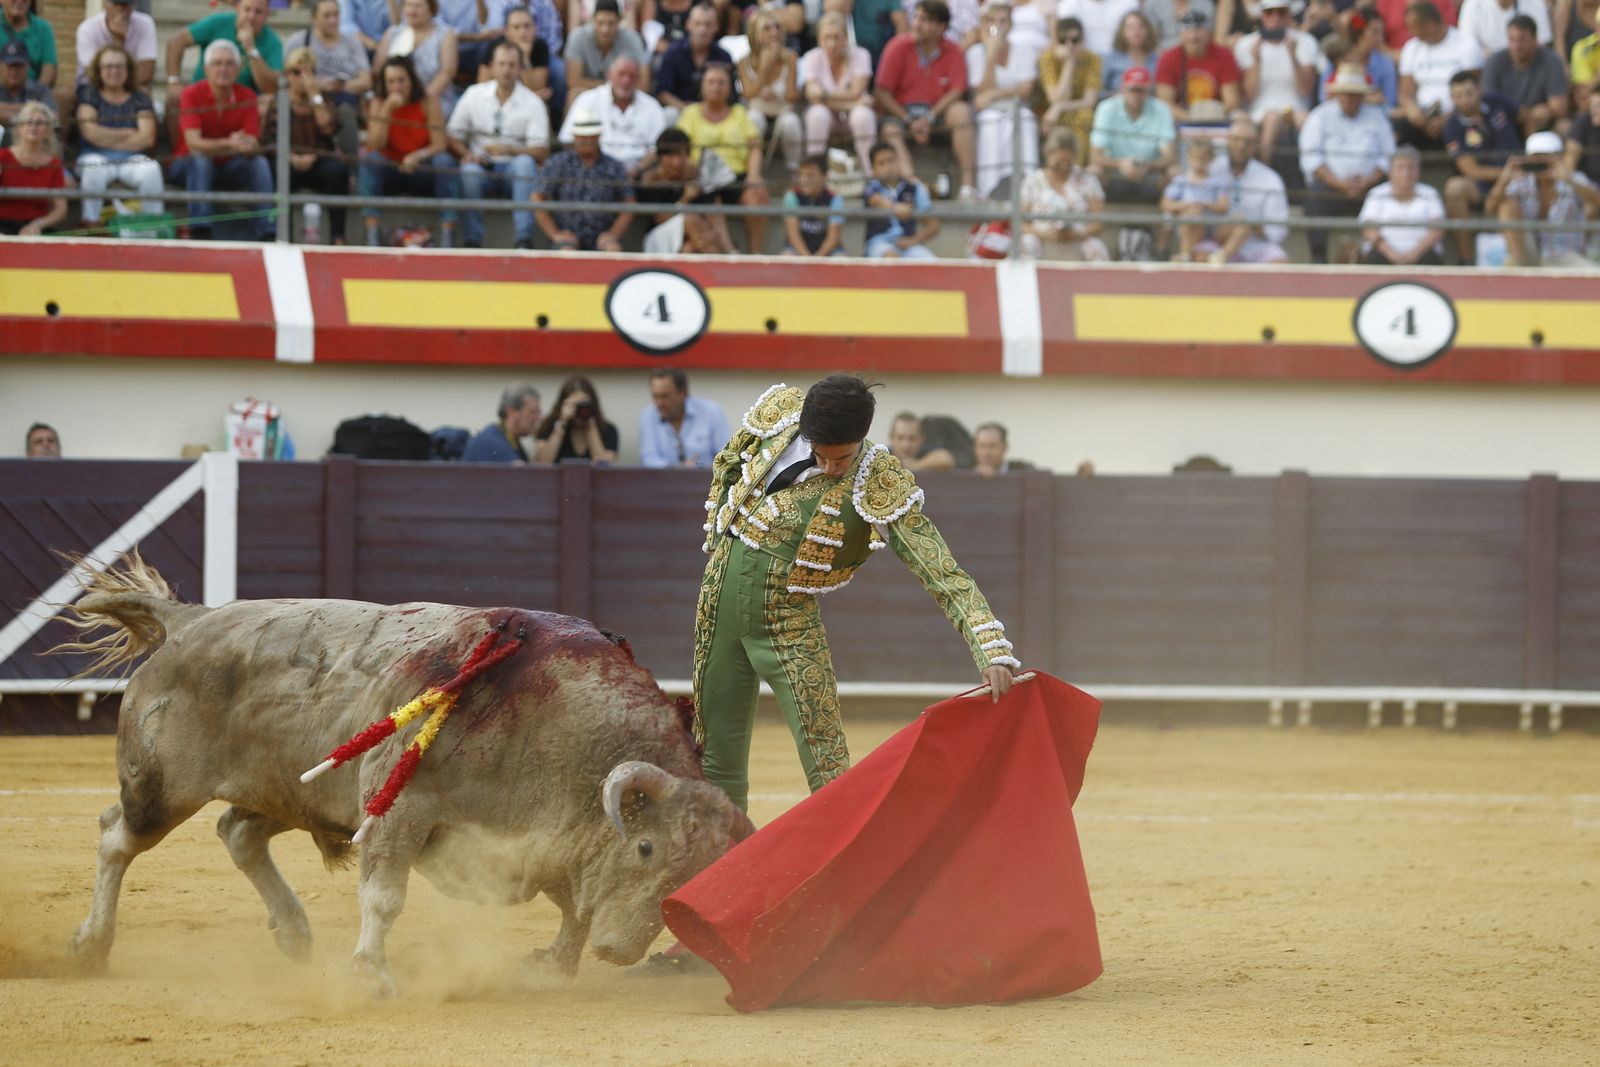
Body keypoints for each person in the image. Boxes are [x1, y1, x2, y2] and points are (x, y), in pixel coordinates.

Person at [693, 374, 1019, 811]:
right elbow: (729, 462)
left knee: (827, 760)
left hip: (785, 619)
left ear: (863, 438)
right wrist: (720, 534)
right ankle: (720, 855)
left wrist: (990, 647)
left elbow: (938, 566)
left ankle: (848, 856)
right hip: (716, 604)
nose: (831, 468)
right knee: (714, 758)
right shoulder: (779, 417)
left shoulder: (877, 477)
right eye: (820, 455)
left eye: (842, 457)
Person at [448, 40, 551, 249]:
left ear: (521, 68)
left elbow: (541, 151)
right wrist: (467, 154)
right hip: (481, 165)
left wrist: (509, 149)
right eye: (501, 64)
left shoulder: (533, 102)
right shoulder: (473, 94)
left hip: (513, 167)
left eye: (512, 65)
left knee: (525, 164)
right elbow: (451, 135)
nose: (506, 70)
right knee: (469, 171)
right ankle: (472, 240)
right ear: (491, 67)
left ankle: (523, 239)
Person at [170, 40, 274, 241]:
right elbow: (193, 143)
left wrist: (247, 145)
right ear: (206, 69)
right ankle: (200, 231)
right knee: (200, 159)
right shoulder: (191, 94)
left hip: (227, 166)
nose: (223, 69)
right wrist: (230, 143)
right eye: (217, 63)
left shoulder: (247, 95)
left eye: (229, 64)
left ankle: (268, 231)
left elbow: (253, 142)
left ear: (238, 70)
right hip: (188, 165)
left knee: (258, 162)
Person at [874, 1, 978, 200]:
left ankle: (968, 186)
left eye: (926, 20)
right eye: (916, 17)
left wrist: (929, 117)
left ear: (942, 27)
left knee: (962, 112)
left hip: (937, 114)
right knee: (890, 130)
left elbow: (957, 91)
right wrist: (908, 120)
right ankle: (913, 185)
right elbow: (881, 93)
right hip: (901, 114)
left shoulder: (954, 50)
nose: (917, 24)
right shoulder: (897, 46)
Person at [1298, 63, 1395, 262]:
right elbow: (1311, 158)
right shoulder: (1320, 116)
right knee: (1313, 199)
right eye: (1346, 94)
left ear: (1362, 96)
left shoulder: (1377, 117)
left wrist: (1369, 180)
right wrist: (1338, 183)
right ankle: (1319, 257)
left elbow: (1388, 155)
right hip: (1330, 186)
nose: (1350, 99)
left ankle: (1384, 255)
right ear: (1337, 94)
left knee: (1388, 197)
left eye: (1354, 94)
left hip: (1370, 186)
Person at [360, 55, 458, 246]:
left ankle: (448, 237)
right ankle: (372, 237)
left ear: (411, 80)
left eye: (401, 80)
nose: (396, 87)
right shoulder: (379, 103)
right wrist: (387, 110)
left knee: (445, 162)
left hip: (421, 168)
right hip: (390, 168)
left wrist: (418, 156)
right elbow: (376, 144)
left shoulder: (428, 100)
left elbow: (439, 144)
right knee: (370, 160)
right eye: (391, 82)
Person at [676, 62, 769, 251]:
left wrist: (754, 175)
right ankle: (729, 251)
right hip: (701, 178)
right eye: (711, 82)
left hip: (736, 176)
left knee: (758, 195)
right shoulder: (690, 113)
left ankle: (755, 254)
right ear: (702, 86)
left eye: (721, 82)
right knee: (711, 192)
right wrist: (689, 172)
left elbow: (755, 146)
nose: (716, 87)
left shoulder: (739, 113)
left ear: (729, 87)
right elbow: (680, 148)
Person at [75, 43, 163, 230]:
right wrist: (127, 134)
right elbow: (89, 133)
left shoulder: (140, 97)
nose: (114, 71)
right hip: (93, 156)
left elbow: (147, 138)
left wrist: (104, 136)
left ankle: (152, 225)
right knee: (94, 167)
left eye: (119, 66)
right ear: (98, 70)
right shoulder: (89, 94)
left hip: (131, 160)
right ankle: (90, 223)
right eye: (108, 66)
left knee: (151, 169)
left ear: (128, 70)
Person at [268, 48, 351, 244]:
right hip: (288, 161)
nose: (303, 78)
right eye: (297, 72)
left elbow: (328, 129)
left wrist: (315, 96)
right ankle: (283, 236)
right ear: (287, 75)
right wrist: (293, 158)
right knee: (274, 170)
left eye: (309, 72)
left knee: (338, 171)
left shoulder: (324, 101)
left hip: (319, 161)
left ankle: (338, 236)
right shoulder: (277, 102)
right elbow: (270, 141)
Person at [1486, 129, 1600, 266]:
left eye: (1547, 156)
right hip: (1527, 256)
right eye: (1537, 157)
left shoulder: (1574, 179)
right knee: (1506, 205)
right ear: (1528, 159)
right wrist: (1504, 179)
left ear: (1559, 157)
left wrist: (1569, 180)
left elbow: (1597, 202)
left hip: (1565, 256)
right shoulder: (1521, 182)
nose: (1541, 161)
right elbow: (1490, 208)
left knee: (1594, 277)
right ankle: (1521, 266)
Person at [1441, 69, 1520, 261]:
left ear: (1479, 90)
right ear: (1452, 98)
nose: (1465, 100)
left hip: (1518, 179)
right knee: (1454, 188)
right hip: (1483, 185)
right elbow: (1470, 170)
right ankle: (1466, 259)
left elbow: (1524, 117)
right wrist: (1508, 173)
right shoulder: (1452, 126)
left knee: (1510, 204)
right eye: (1458, 96)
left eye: (1469, 93)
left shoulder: (1497, 101)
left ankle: (1520, 263)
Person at [533, 109, 635, 249]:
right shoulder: (559, 162)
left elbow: (629, 203)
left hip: (601, 238)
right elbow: (537, 197)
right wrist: (555, 234)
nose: (587, 141)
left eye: (591, 136)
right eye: (583, 137)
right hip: (566, 237)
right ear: (575, 137)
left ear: (598, 137)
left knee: (613, 250)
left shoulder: (614, 166)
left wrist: (613, 235)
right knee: (567, 251)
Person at [966, 1, 1038, 197]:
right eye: (992, 21)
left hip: (1017, 108)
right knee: (991, 122)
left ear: (1011, 24)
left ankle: (1029, 189)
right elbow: (980, 91)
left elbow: (1025, 89)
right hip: (989, 112)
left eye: (1002, 21)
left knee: (1024, 120)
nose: (997, 26)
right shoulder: (976, 53)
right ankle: (989, 190)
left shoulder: (1024, 49)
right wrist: (991, 56)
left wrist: (993, 94)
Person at [1234, 0, 1319, 164]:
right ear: (1261, 15)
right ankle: (1264, 168)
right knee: (1272, 118)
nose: (1275, 17)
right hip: (1259, 111)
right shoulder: (1246, 44)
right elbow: (1249, 95)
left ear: (1289, 15)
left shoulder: (1305, 41)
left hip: (1296, 109)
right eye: (1269, 12)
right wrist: (1256, 62)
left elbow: (1305, 90)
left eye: (1281, 12)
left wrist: (1293, 57)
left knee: (1306, 121)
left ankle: (1311, 172)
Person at [1197, 114, 1290, 263]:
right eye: (1236, 140)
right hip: (1217, 241)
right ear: (1227, 141)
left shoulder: (1270, 179)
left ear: (1256, 145)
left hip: (1256, 244)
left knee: (1278, 263)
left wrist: (1260, 229)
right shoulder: (1211, 169)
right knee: (1200, 257)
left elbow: (1278, 227)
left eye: (1247, 142)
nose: (1241, 146)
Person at [634, 125, 737, 252]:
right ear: (660, 157)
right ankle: (720, 261)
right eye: (670, 156)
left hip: (693, 238)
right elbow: (660, 219)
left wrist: (713, 233)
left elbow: (713, 213)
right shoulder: (651, 180)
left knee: (690, 248)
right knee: (690, 219)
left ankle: (723, 255)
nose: (676, 162)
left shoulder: (697, 179)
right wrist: (685, 199)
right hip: (658, 238)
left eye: (679, 155)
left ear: (687, 155)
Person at [1396, 0, 1483, 147]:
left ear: (1430, 25)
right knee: (1400, 127)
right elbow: (1406, 92)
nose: (1410, 32)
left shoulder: (1466, 44)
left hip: (1458, 113)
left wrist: (1446, 119)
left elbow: (1475, 89)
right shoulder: (1411, 48)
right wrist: (1414, 112)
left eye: (1413, 27)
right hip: (1424, 116)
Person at [799, 11, 875, 170]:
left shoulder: (861, 54)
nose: (832, 43)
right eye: (827, 37)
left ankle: (869, 171)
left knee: (863, 115)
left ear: (846, 38)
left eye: (836, 37)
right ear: (819, 39)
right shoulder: (811, 57)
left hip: (852, 118)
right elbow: (813, 95)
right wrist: (851, 103)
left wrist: (825, 96)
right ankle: (814, 168)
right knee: (817, 114)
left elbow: (856, 92)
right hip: (830, 118)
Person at [559, 55, 664, 172]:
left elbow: (659, 148)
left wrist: (636, 170)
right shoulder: (587, 100)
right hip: (593, 170)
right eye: (621, 74)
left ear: (638, 79)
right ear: (609, 75)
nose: (626, 81)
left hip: (639, 172)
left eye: (632, 76)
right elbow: (567, 140)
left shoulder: (652, 106)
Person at [1089, 67, 1177, 203]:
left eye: (1141, 90)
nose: (1136, 95)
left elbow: (1169, 156)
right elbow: (1095, 156)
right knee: (1093, 172)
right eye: (1132, 90)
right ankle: (1096, 213)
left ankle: (1167, 211)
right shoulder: (1106, 108)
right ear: (1123, 89)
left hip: (1151, 175)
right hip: (1113, 174)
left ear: (1148, 91)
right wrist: (1120, 164)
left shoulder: (1162, 109)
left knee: (1174, 172)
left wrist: (1148, 165)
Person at [1019, 128, 1109, 259]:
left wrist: (1076, 234)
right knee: (1027, 243)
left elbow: (1099, 223)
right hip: (1041, 239)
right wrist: (1043, 234)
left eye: (1067, 163)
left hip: (1077, 240)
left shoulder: (1087, 179)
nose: (1063, 167)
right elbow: (1020, 223)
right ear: (1048, 154)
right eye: (1058, 162)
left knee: (1096, 248)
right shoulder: (1032, 180)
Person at [166, 0, 281, 98]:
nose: (251, 17)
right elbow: (176, 41)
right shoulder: (218, 22)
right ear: (237, 8)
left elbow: (270, 88)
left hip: (242, 104)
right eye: (247, 10)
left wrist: (251, 49)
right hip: (201, 96)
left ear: (267, 14)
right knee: (174, 100)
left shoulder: (273, 42)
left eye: (258, 12)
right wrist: (173, 81)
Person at [1482, 15, 1568, 136]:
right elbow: (1489, 104)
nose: (1516, 46)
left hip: (1542, 123)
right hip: (1505, 122)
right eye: (1512, 40)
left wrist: (1535, 116)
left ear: (1535, 40)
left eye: (1522, 40)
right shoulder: (1495, 61)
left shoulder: (1551, 61)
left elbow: (1559, 108)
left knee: (1564, 127)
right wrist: (1527, 114)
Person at [1359, 145, 1446, 264]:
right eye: (1400, 167)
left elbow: (1437, 229)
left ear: (1418, 172)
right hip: (1384, 253)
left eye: (1410, 167)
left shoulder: (1430, 193)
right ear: (1390, 172)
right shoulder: (1376, 194)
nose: (1406, 173)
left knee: (1430, 259)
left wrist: (1414, 254)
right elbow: (1368, 228)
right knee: (1374, 259)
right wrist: (1392, 254)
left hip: (1422, 254)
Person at [738, 10, 801, 173]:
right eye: (767, 28)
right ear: (755, 34)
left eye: (777, 27)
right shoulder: (744, 61)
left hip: (783, 109)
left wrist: (778, 94)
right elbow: (748, 94)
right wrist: (764, 69)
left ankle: (794, 169)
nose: (774, 32)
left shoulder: (791, 57)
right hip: (757, 109)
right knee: (753, 119)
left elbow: (793, 96)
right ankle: (752, 170)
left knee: (790, 123)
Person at [285, 0, 373, 113]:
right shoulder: (299, 42)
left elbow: (366, 81)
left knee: (346, 109)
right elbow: (287, 76)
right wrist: (318, 85)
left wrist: (339, 86)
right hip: (309, 100)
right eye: (326, 16)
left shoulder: (353, 43)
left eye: (336, 15)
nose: (333, 20)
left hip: (347, 100)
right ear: (314, 19)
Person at [1155, 9, 1242, 123]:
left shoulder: (1224, 56)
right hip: (1181, 117)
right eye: (1188, 30)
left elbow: (1232, 101)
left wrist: (1209, 115)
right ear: (1180, 35)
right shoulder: (1168, 58)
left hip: (1218, 115)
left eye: (1199, 30)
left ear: (1209, 33)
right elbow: (1165, 102)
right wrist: (1191, 118)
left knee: (1241, 119)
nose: (1193, 36)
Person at [373, 0, 459, 110]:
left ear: (430, 9)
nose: (412, 11)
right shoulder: (393, 33)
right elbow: (378, 69)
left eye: (418, 6)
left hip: (433, 99)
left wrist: (423, 100)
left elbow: (447, 72)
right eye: (408, 5)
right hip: (394, 98)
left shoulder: (445, 34)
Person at [638, 368, 731, 468]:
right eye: (655, 396)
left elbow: (726, 456)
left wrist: (699, 469)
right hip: (663, 478)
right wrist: (678, 470)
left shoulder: (711, 412)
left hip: (709, 476)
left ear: (682, 393)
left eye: (665, 396)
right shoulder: (648, 416)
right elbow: (649, 460)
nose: (659, 403)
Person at [863, 140, 940, 258]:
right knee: (891, 259)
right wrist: (895, 207)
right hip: (879, 243)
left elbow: (933, 225)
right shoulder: (870, 187)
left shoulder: (915, 188)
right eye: (881, 163)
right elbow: (876, 200)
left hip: (909, 245)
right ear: (873, 169)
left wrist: (913, 241)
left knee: (931, 263)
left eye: (891, 160)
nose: (888, 166)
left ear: (899, 161)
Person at [1039, 17, 1100, 166]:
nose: (1069, 46)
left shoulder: (1092, 59)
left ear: (1082, 40)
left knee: (1084, 116)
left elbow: (1089, 101)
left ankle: (1077, 168)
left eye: (1074, 40)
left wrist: (1059, 107)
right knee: (1050, 121)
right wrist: (1069, 63)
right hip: (1050, 114)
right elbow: (1055, 98)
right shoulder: (1048, 59)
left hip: (1074, 110)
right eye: (1063, 41)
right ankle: (1055, 167)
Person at [0, 100, 64, 235]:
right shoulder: (2, 157)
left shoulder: (54, 163)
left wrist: (38, 225)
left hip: (37, 227)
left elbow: (61, 209)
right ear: (19, 127)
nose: (33, 126)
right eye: (29, 122)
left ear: (48, 130)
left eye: (39, 123)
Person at [656, 3, 732, 117]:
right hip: (681, 111)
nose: (702, 30)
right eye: (698, 24)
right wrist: (687, 110)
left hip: (715, 112)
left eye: (708, 24)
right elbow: (663, 93)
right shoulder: (673, 53)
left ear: (717, 26)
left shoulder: (723, 56)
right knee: (669, 115)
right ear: (688, 25)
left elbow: (730, 94)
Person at [1161, 133, 1228, 259]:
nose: (1198, 163)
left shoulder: (1217, 182)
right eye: (1194, 158)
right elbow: (1165, 204)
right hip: (1186, 225)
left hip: (1210, 229)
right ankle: (1185, 254)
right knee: (1190, 215)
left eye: (1203, 159)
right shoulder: (1180, 180)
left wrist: (1203, 205)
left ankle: (1187, 255)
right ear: (1188, 158)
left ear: (1211, 159)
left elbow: (1223, 206)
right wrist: (1186, 205)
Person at [566, 0, 649, 96]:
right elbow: (573, 81)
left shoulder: (632, 39)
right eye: (600, 23)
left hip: (623, 96)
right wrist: (612, 87)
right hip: (591, 93)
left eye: (611, 23)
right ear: (592, 20)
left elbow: (644, 83)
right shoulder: (578, 37)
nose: (605, 29)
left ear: (619, 21)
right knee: (573, 94)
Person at [534, 375, 620, 462]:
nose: (580, 410)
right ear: (563, 405)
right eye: (574, 406)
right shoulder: (549, 426)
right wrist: (561, 425)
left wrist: (591, 427)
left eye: (584, 405)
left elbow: (603, 466)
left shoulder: (608, 430)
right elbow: (542, 464)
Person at [477, 6, 552, 104]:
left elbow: (536, 87)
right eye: (516, 27)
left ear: (535, 28)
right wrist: (530, 96)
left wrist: (525, 59)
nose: (522, 32)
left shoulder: (540, 47)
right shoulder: (493, 48)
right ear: (507, 31)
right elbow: (482, 86)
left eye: (527, 26)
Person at [75, 0, 156, 91]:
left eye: (125, 4)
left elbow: (146, 73)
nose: (120, 8)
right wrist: (117, 40)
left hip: (130, 86)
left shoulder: (145, 23)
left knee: (143, 90)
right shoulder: (88, 28)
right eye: (116, 4)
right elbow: (93, 73)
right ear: (104, 4)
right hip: (94, 86)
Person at [782, 152, 847, 255]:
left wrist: (817, 258)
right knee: (786, 257)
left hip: (828, 251)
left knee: (841, 259)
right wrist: (807, 258)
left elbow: (833, 238)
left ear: (824, 176)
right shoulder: (792, 197)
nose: (804, 180)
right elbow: (793, 235)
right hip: (798, 249)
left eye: (810, 175)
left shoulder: (835, 199)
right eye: (801, 175)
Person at [463, 384, 542, 462]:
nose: (538, 418)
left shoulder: (509, 439)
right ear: (511, 412)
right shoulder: (491, 441)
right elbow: (520, 469)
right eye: (533, 412)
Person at [1457, 0, 1552, 56]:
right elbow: (1467, 48)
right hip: (1486, 67)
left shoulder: (1535, 3)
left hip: (1526, 65)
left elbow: (1542, 45)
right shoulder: (1472, 4)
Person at [0, 38, 51, 138]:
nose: (14, 71)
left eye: (19, 66)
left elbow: (52, 116)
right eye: (10, 66)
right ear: (1, 66)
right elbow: (44, 113)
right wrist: (34, 111)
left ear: (27, 66)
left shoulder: (40, 90)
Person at [0, 0, 56, 87]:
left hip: (33, 89)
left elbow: (49, 68)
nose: (19, 1)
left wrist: (36, 92)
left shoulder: (43, 28)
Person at [1055, 0, 1138, 56]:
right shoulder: (1069, 4)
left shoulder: (1128, 3)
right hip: (1083, 61)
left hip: (1120, 61)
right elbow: (1062, 40)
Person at [1143, 0, 1213, 52]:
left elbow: (1210, 36)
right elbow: (1150, 39)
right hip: (1162, 53)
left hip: (1196, 52)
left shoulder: (1206, 4)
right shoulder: (1153, 4)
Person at [1566, 87, 1600, 185]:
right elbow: (1569, 163)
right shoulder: (1583, 122)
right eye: (1592, 106)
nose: (1593, 110)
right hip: (1589, 183)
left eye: (1598, 106)